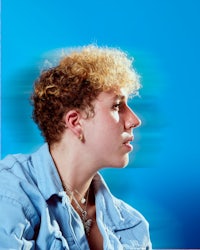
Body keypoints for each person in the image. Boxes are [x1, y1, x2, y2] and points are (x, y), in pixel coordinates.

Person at [0, 45, 152, 249]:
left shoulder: (133, 226)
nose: (134, 120)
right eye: (117, 106)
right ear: (75, 122)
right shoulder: (10, 193)